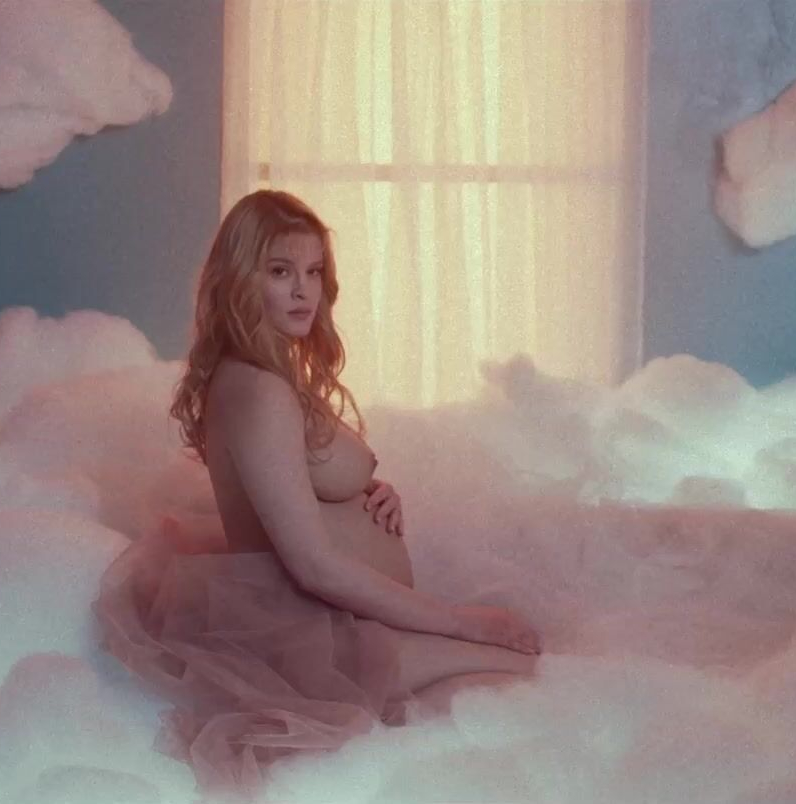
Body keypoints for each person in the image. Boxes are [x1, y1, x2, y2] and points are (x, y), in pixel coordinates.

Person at [93, 189, 542, 793]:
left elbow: (285, 483)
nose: (304, 291)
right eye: (281, 272)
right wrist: (464, 622)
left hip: (335, 621)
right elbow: (313, 566)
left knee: (524, 683)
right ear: (241, 279)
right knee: (527, 676)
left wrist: (364, 491)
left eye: (313, 271)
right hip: (312, 635)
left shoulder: (262, 373)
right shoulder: (260, 390)